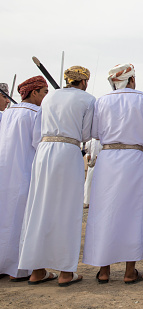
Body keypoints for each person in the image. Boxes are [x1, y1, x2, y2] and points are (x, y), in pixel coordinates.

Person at [18, 66, 95, 287]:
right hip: (68, 151)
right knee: (67, 210)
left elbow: (36, 133)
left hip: (43, 153)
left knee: (39, 208)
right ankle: (65, 273)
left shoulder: (49, 98)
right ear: (84, 82)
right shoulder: (88, 99)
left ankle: (36, 270)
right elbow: (86, 134)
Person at [82, 64, 143, 284]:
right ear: (131, 79)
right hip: (134, 159)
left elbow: (95, 133)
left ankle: (104, 271)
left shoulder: (102, 100)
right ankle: (129, 271)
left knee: (104, 213)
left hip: (108, 160)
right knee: (133, 214)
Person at [0, 76, 46, 282]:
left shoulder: (7, 113)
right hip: (25, 172)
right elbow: (40, 143)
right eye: (44, 93)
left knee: (5, 217)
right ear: (34, 92)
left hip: (5, 171)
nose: (45, 97)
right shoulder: (36, 113)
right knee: (22, 219)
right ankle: (19, 269)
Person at [83, 138, 101, 209]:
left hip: (102, 164)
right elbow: (87, 150)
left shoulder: (103, 141)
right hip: (92, 163)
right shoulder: (91, 141)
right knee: (89, 181)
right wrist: (88, 155)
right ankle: (87, 201)